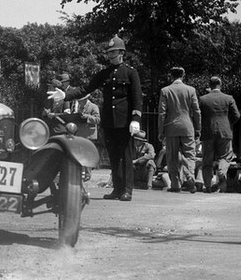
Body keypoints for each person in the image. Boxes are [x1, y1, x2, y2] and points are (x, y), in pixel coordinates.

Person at [63, 35, 143, 201]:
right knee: (113, 155)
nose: (111, 55)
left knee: (126, 156)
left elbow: (137, 98)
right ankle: (117, 188)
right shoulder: (104, 73)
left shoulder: (130, 73)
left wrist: (136, 119)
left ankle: (127, 190)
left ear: (121, 52)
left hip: (125, 121)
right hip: (109, 121)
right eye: (109, 52)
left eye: (114, 51)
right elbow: (86, 88)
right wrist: (65, 95)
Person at [157, 66, 201, 193]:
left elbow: (162, 113)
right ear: (183, 75)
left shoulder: (165, 90)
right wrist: (198, 129)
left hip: (171, 127)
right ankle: (190, 176)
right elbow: (197, 111)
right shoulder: (191, 90)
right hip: (187, 126)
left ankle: (175, 184)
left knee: (172, 156)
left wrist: (161, 130)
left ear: (170, 76)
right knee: (189, 155)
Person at [198, 76, 241, 192]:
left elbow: (198, 116)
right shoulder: (228, 98)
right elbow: (237, 115)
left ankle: (207, 185)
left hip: (208, 132)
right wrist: (228, 123)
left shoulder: (203, 99)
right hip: (225, 131)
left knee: (207, 160)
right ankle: (221, 172)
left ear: (209, 85)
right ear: (220, 85)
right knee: (225, 156)